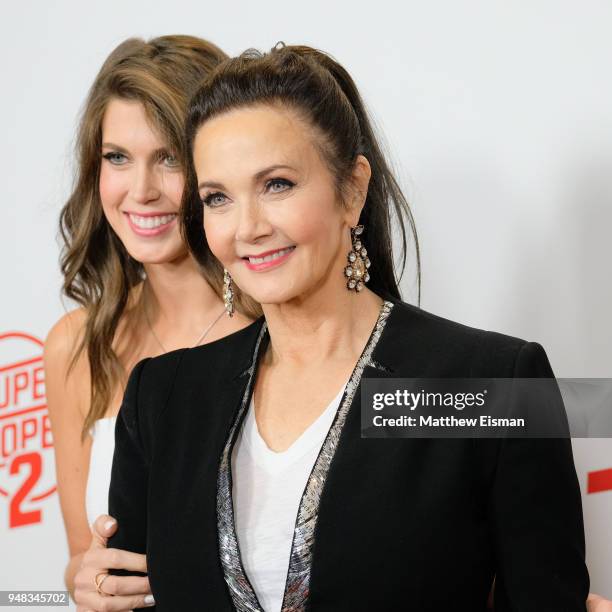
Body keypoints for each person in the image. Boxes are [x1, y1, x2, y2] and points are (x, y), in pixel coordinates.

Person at [107, 45, 593, 610]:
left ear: (353, 190)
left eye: (277, 185)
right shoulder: (164, 396)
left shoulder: (487, 384)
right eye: (218, 198)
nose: (248, 227)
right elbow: (126, 595)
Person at [43, 35, 257, 611]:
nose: (140, 191)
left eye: (169, 158)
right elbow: (80, 561)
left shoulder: (284, 330)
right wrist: (84, 582)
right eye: (117, 158)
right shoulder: (76, 347)